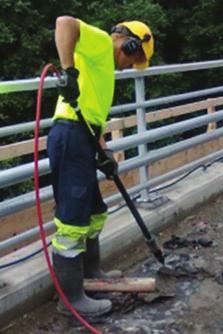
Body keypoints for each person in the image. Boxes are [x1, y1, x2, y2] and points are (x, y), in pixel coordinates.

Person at [47, 16, 154, 317]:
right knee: (72, 222)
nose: (132, 65)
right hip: (70, 135)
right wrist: (68, 71)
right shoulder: (101, 43)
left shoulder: (105, 68)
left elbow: (93, 113)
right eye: (136, 58)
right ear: (129, 42)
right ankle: (71, 300)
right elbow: (65, 23)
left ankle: (92, 274)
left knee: (95, 213)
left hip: (85, 138)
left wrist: (104, 151)